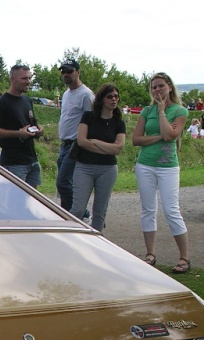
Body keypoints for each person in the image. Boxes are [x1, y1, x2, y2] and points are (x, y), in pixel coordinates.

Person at [131, 72, 190, 274]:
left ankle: (184, 257)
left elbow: (171, 135)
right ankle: (150, 254)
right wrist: (159, 136)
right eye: (154, 87)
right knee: (148, 209)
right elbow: (136, 139)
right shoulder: (147, 111)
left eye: (161, 86)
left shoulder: (180, 111)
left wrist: (163, 112)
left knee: (171, 209)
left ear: (169, 87)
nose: (157, 90)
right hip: (145, 164)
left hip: (168, 167)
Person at [69, 84, 126, 232]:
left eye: (116, 96)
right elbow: (81, 141)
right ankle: (71, 238)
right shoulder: (88, 117)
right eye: (110, 96)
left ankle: (96, 244)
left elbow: (118, 148)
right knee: (78, 209)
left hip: (107, 169)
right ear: (101, 99)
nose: (114, 99)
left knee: (100, 212)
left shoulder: (119, 123)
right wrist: (108, 148)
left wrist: (95, 142)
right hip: (84, 167)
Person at [0, 64, 43, 187]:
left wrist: (38, 130)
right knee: (15, 201)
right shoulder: (2, 103)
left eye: (29, 78)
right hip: (14, 163)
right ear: (12, 79)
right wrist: (18, 133)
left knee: (33, 201)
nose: (28, 82)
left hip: (32, 159)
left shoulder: (27, 101)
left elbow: (31, 123)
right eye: (24, 79)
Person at [56, 59, 94, 211]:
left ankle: (82, 212)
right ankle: (67, 214)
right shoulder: (66, 94)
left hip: (75, 144)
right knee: (65, 183)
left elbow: (91, 121)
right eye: (63, 72)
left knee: (63, 182)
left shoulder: (86, 95)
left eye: (69, 71)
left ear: (77, 72)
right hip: (64, 143)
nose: (66, 74)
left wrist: (82, 142)